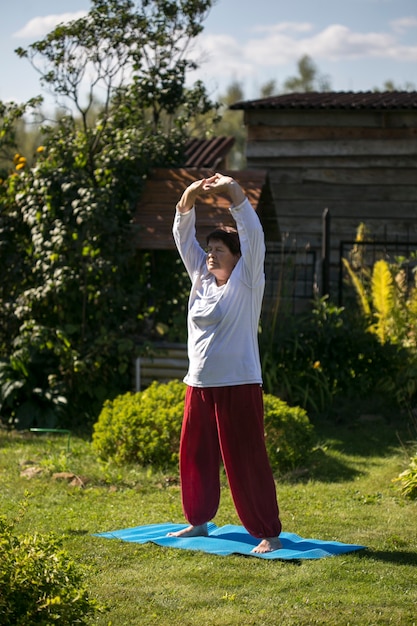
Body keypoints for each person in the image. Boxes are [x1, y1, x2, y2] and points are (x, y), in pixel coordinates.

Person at [170, 172, 282, 553]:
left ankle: (268, 531)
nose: (211, 254)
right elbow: (183, 237)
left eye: (220, 249)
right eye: (210, 248)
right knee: (194, 455)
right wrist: (188, 195)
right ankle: (198, 521)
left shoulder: (247, 282)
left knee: (246, 459)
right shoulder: (201, 279)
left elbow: (253, 235)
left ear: (238, 258)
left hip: (238, 384)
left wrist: (233, 192)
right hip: (198, 384)